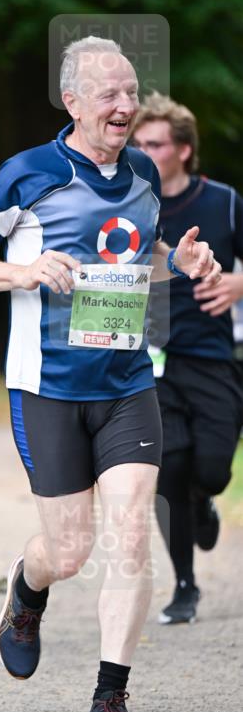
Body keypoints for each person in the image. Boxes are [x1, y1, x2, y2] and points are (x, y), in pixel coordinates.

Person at [0, 36, 221, 712]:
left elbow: (137, 258)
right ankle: (27, 589)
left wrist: (180, 262)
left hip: (127, 381)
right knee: (67, 551)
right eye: (108, 94)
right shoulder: (28, 173)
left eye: (130, 92)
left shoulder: (139, 172)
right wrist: (24, 271)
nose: (124, 105)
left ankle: (110, 698)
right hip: (46, 386)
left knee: (130, 532)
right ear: (71, 102)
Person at [132, 93, 243, 625]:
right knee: (166, 468)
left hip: (213, 356)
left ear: (182, 149)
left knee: (214, 469)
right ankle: (184, 586)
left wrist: (239, 282)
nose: (141, 150)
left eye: (152, 143)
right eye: (137, 142)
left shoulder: (222, 201)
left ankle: (204, 499)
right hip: (147, 360)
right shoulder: (127, 202)